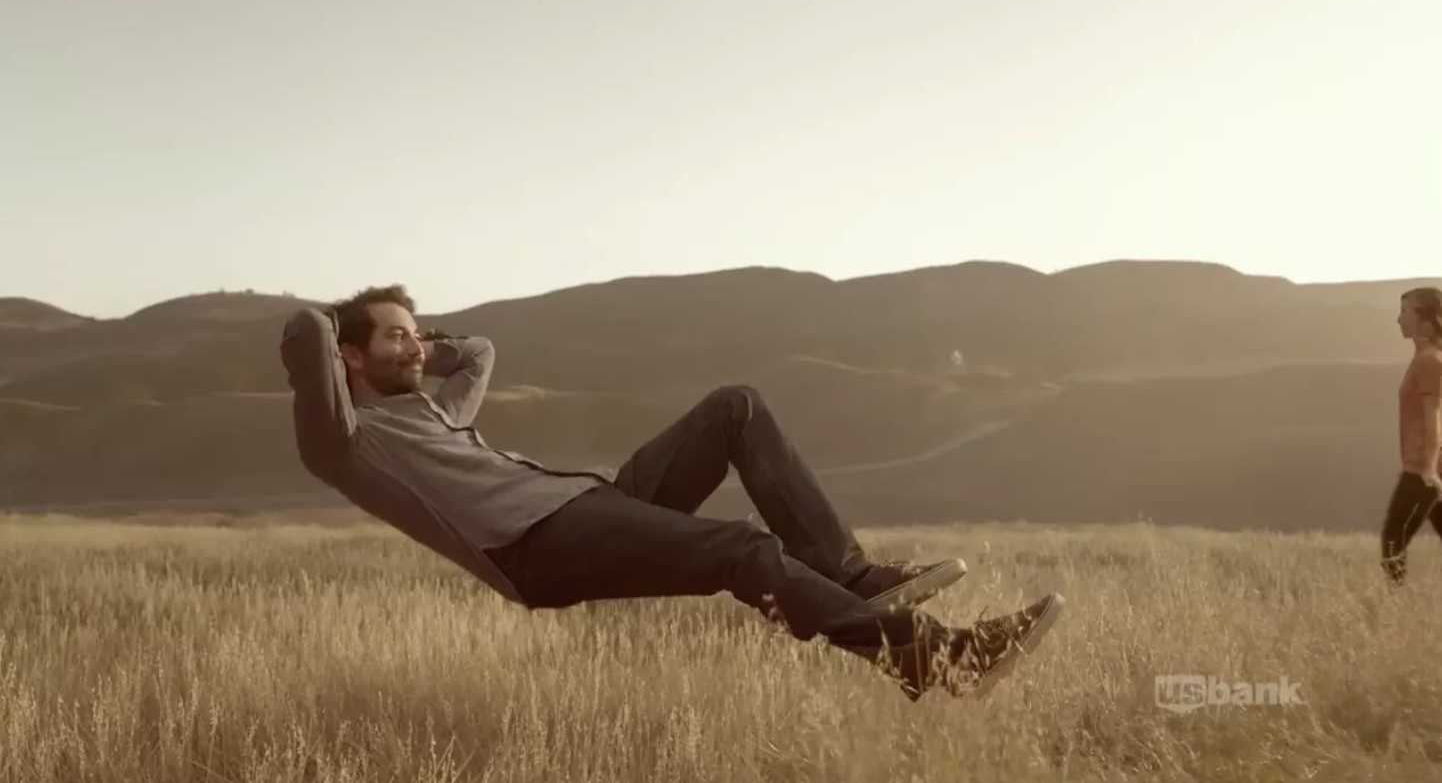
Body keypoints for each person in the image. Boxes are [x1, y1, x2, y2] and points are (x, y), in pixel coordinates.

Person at [278, 284, 1065, 700]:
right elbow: (309, 333)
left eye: (418, 332)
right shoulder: (352, 446)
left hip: (590, 505)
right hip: (537, 547)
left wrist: (428, 347)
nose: (415, 344)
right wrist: (340, 330)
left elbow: (479, 352)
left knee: (736, 406)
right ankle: (938, 662)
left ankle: (850, 575)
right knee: (739, 548)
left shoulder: (434, 412)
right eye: (396, 335)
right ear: (350, 358)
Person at [1381, 286, 1442, 585]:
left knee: (1393, 539)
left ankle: (1395, 607)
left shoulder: (1430, 361)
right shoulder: (1427, 358)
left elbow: (1434, 415)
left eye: (1405, 312)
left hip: (1423, 469)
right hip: (1426, 466)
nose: (1398, 319)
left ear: (1424, 320)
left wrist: (1428, 468)